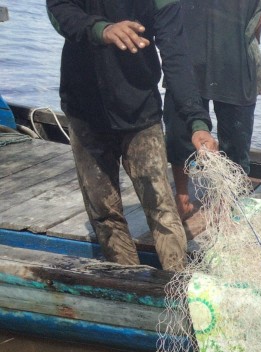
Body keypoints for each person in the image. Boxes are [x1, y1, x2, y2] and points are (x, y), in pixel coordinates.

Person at [47, 0, 218, 272]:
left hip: (141, 112)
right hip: (85, 108)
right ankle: (130, 284)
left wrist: (197, 121)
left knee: (161, 209)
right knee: (105, 213)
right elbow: (58, 10)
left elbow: (176, 55)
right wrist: (100, 29)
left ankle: (177, 286)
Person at [163, 0, 261, 221]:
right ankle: (181, 197)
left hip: (236, 54)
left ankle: (225, 202)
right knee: (178, 131)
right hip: (186, 52)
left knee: (236, 140)